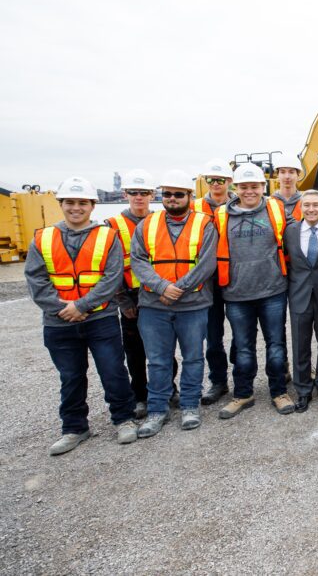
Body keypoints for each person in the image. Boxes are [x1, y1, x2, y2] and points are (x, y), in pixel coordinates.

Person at [24, 176, 137, 455]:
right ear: (61, 204)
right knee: (71, 376)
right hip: (59, 322)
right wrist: (63, 308)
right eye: (70, 202)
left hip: (100, 319)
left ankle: (124, 419)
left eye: (82, 203)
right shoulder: (43, 237)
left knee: (113, 371)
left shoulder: (107, 236)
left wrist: (82, 306)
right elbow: (36, 281)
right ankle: (74, 428)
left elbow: (112, 278)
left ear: (92, 205)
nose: (76, 208)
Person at [131, 170, 218, 438]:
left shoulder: (204, 224)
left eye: (178, 194)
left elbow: (207, 263)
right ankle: (157, 410)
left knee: (193, 358)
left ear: (189, 196)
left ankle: (190, 405)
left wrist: (178, 288)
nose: (172, 198)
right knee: (157, 361)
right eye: (167, 194)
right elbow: (138, 260)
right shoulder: (147, 224)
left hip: (192, 305)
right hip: (154, 305)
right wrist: (161, 287)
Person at [214, 162, 295, 418]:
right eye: (244, 187)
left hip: (272, 290)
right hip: (237, 294)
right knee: (243, 346)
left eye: (255, 186)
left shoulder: (276, 208)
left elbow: (298, 233)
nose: (250, 191)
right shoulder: (220, 215)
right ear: (235, 188)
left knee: (276, 344)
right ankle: (243, 393)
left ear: (264, 186)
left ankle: (279, 392)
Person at [105, 168, 159, 418]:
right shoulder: (112, 226)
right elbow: (109, 267)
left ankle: (167, 390)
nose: (139, 197)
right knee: (135, 350)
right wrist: (122, 300)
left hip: (158, 293)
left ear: (151, 194)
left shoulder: (159, 220)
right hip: (132, 297)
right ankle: (140, 396)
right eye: (134, 192)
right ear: (125, 194)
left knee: (162, 349)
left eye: (144, 193)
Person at [284, 190, 318, 413]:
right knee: (300, 344)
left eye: (315, 205)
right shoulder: (290, 231)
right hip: (299, 295)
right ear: (300, 207)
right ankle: (303, 390)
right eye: (306, 205)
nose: (311, 209)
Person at [195, 158, 236, 406]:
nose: (216, 184)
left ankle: (242, 375)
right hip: (207, 282)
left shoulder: (239, 204)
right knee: (213, 335)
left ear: (229, 181)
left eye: (221, 179)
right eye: (211, 179)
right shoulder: (195, 208)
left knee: (242, 333)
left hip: (234, 278)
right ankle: (218, 381)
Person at [272, 154, 305, 224]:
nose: (287, 176)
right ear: (277, 175)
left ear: (298, 174)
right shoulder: (269, 203)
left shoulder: (306, 202)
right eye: (282, 172)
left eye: (291, 172)